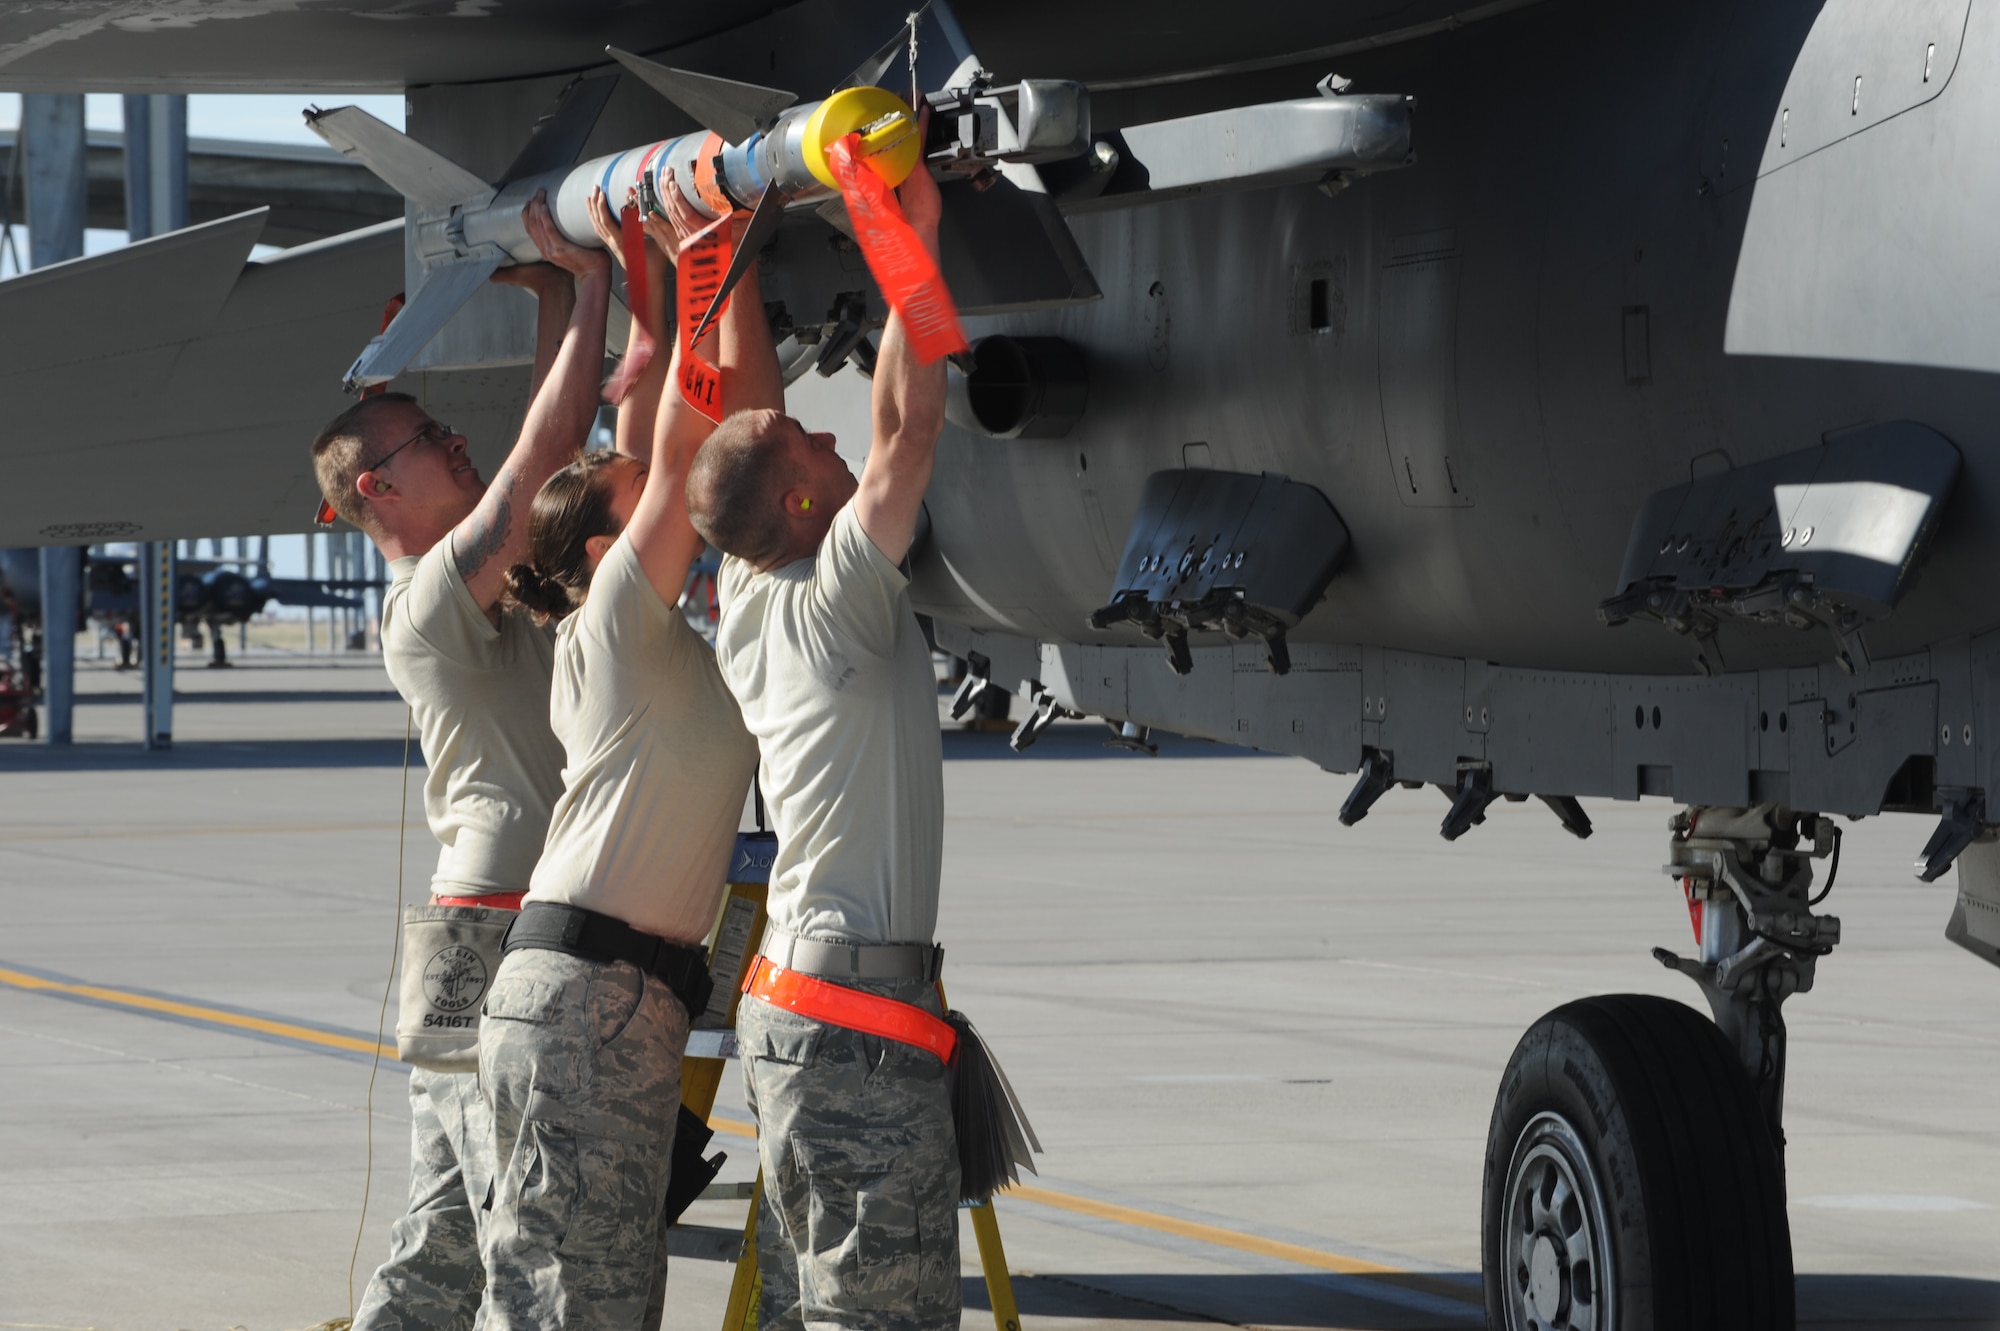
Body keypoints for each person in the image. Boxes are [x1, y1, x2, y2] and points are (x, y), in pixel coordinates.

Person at [477, 176, 782, 1331]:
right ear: (608, 545)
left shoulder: (635, 638)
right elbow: (691, 441)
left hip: (613, 1001)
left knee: (594, 1293)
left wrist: (672, 272)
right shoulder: (612, 616)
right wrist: (711, 252)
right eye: (637, 492)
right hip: (587, 1000)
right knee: (575, 1301)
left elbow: (716, 432)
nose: (673, 499)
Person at [308, 191, 610, 1331]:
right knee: (524, 1224)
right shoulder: (430, 597)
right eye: (427, 443)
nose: (454, 442)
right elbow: (543, 468)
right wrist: (584, 284)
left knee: (444, 1222)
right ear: (374, 487)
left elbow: (557, 451)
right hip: (494, 926)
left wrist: (553, 295)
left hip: (472, 923)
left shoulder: (473, 576)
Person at [685, 159, 960, 1330]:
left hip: (803, 1001)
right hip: (848, 1015)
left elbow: (749, 442)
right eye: (809, 442)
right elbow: (910, 424)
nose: (830, 438)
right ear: (800, 506)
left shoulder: (745, 593)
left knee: (813, 1308)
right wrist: (901, 234)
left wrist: (713, 251)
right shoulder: (832, 594)